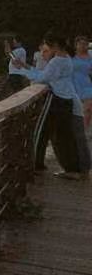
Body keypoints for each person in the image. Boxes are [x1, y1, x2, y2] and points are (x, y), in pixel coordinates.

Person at [11, 35, 89, 180]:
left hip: (58, 101)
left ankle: (38, 166)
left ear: (54, 46)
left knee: (46, 133)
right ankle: (73, 169)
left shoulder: (56, 61)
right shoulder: (66, 59)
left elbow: (42, 78)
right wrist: (24, 66)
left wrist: (22, 70)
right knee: (64, 136)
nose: (45, 51)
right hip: (66, 100)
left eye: (47, 47)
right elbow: (45, 74)